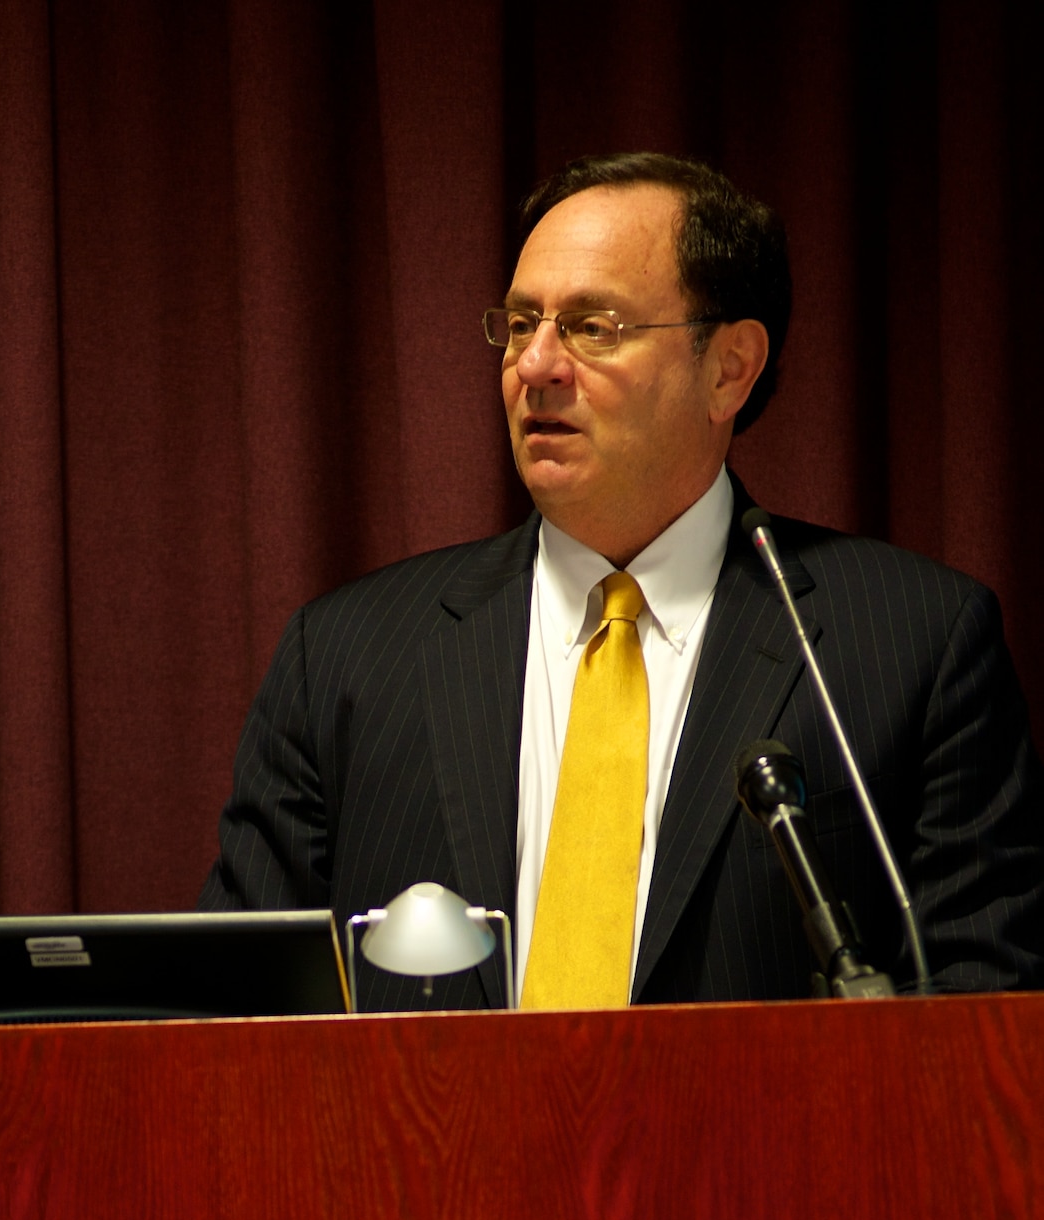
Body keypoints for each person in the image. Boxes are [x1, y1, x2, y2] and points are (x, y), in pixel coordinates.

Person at [200, 152, 1044, 1008]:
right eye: (520, 322)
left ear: (729, 369)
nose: (535, 366)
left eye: (591, 327)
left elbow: (987, 1013)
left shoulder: (910, 644)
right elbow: (233, 1015)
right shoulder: (346, 654)